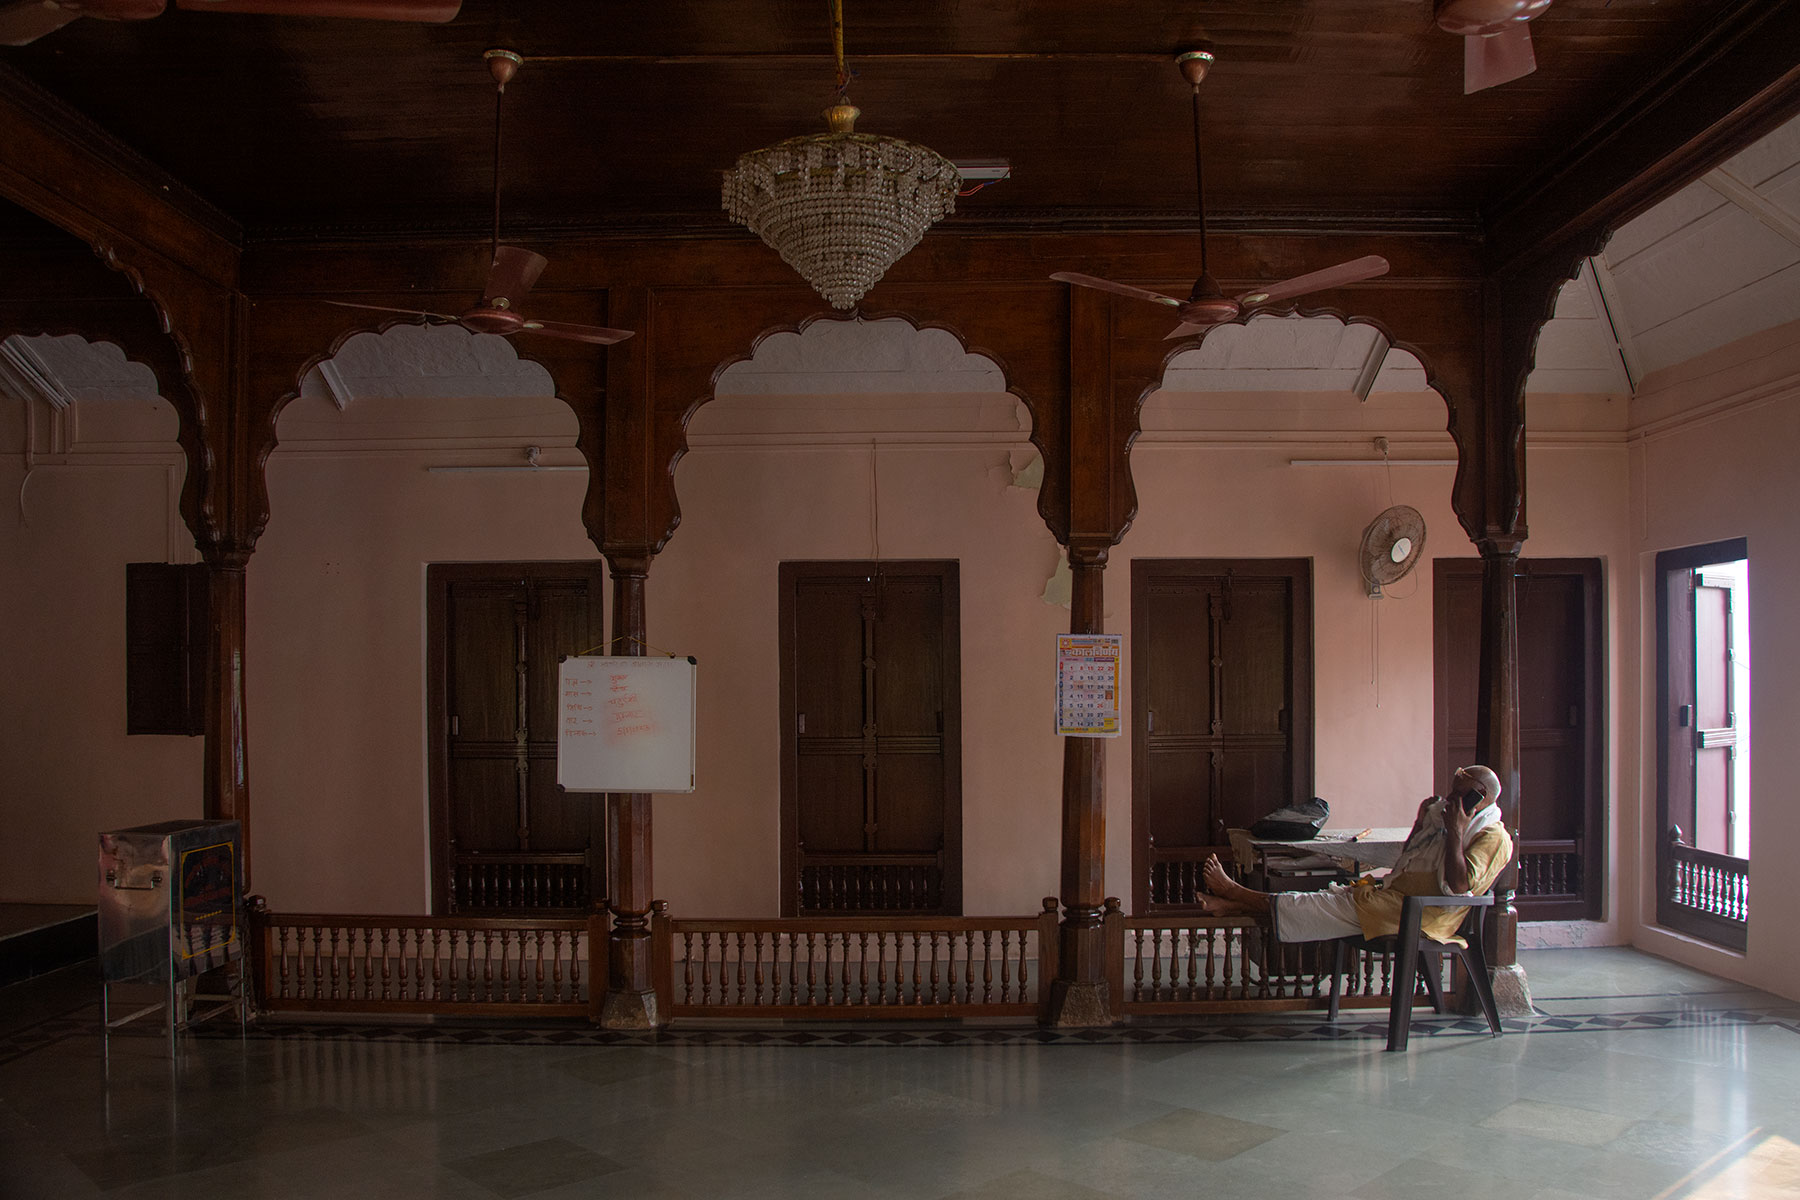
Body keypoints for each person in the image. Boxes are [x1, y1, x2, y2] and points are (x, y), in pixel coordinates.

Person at [1197, 765, 1513, 944]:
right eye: (1452, 791)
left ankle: (1235, 893)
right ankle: (1234, 903)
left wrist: (1456, 831)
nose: (1451, 799)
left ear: (1480, 797)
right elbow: (1407, 861)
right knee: (1318, 901)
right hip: (1393, 901)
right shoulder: (1447, 821)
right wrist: (1421, 822)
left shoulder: (1493, 836)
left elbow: (1459, 887)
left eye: (1460, 794)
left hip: (1421, 916)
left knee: (1314, 904)